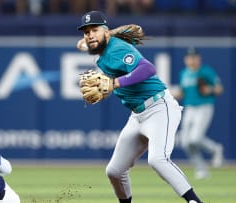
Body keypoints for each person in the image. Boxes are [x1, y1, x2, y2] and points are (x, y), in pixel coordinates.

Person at [76, 11, 204, 203]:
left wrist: (115, 84)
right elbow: (87, 43)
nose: (90, 35)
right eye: (86, 32)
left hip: (160, 107)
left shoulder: (117, 48)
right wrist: (85, 43)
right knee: (114, 171)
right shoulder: (99, 46)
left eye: (94, 30)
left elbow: (148, 69)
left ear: (106, 32)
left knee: (158, 159)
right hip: (138, 116)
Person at [174, 47, 224, 179]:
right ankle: (201, 168)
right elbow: (181, 92)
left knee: (195, 138)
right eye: (189, 57)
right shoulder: (184, 73)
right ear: (186, 59)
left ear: (198, 58)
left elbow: (219, 89)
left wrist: (210, 89)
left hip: (204, 106)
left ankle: (215, 149)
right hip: (189, 108)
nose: (192, 60)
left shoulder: (206, 71)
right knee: (185, 141)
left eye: (194, 57)